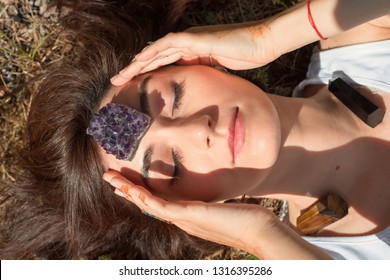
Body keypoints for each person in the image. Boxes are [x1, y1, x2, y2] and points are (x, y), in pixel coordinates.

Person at [0, 0, 389, 260]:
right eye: (169, 166)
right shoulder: (330, 260)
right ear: (187, 210)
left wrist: (267, 37)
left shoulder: (359, 25)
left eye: (171, 96)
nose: (196, 130)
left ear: (195, 60)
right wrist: (260, 236)